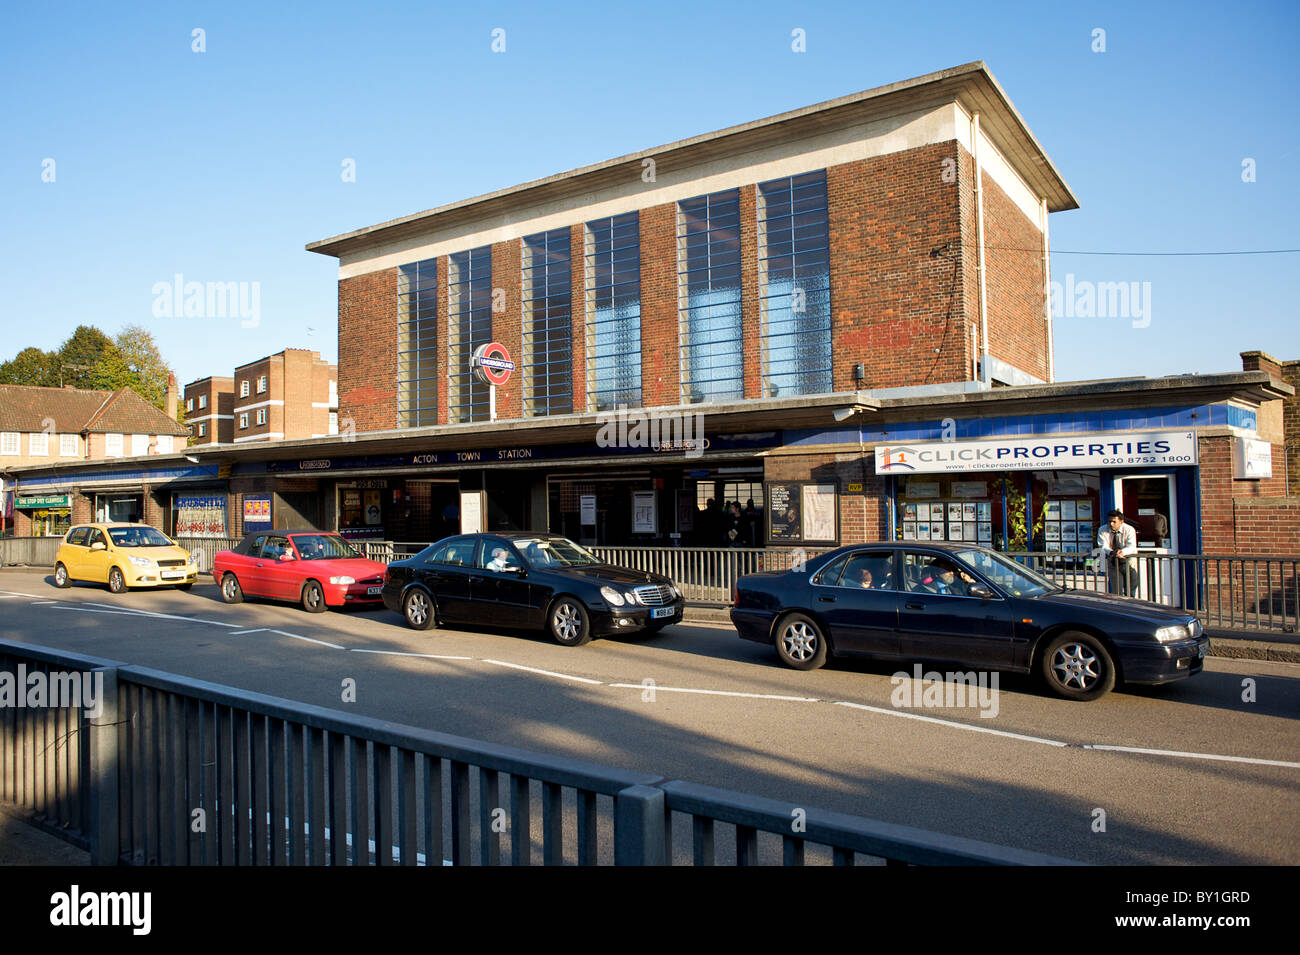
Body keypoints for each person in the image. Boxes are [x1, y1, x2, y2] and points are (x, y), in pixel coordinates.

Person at [1096, 509, 1138, 596]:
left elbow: (1131, 546)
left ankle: (1130, 607)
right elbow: (1102, 546)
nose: (1111, 524)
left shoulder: (1129, 529)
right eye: (1109, 521)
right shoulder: (1102, 529)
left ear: (1121, 521)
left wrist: (1121, 552)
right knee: (1117, 591)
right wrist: (1112, 553)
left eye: (1114, 522)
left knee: (1131, 589)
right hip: (1112, 562)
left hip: (1128, 561)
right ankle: (1119, 606)